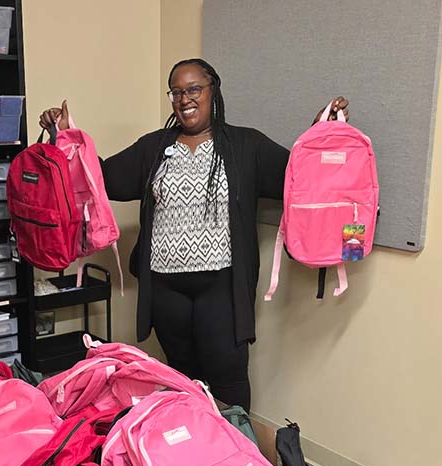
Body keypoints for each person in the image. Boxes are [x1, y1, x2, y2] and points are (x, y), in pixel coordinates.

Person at [40, 58, 348, 410]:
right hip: (166, 289)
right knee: (182, 379)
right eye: (177, 91)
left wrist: (321, 130)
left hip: (222, 286)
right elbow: (101, 177)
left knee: (228, 378)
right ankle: (192, 456)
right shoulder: (154, 148)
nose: (184, 99)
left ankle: (234, 453)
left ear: (212, 91)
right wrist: (62, 137)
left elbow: (298, 176)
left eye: (194, 89)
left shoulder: (246, 146)